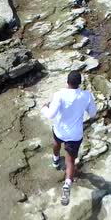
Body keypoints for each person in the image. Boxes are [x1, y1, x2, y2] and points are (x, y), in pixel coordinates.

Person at [41, 71, 97, 206]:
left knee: (56, 143)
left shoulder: (59, 95)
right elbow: (93, 114)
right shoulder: (86, 96)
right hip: (75, 135)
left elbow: (50, 115)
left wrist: (44, 107)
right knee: (70, 161)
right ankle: (67, 184)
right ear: (79, 83)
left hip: (60, 131)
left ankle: (55, 160)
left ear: (67, 82)